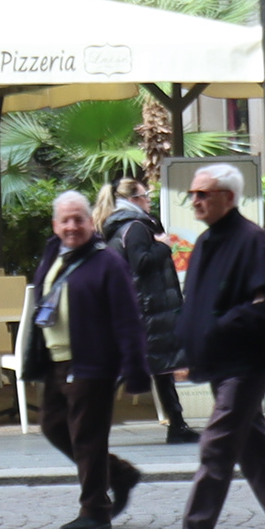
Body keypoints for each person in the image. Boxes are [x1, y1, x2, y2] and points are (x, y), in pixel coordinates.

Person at [159, 165, 265, 529]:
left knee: (216, 448)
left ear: (228, 197)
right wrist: (189, 340)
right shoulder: (207, 241)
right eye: (193, 194)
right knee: (256, 453)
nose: (195, 200)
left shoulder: (252, 241)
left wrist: (217, 329)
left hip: (243, 363)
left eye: (204, 194)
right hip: (220, 361)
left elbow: (264, 304)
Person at [16, 189, 148, 529]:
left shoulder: (108, 262)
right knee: (53, 426)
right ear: (55, 225)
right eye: (65, 221)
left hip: (92, 362)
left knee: (87, 437)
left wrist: (135, 369)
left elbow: (128, 318)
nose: (72, 226)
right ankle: (119, 474)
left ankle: (95, 510)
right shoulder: (53, 253)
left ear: (91, 222)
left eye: (79, 219)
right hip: (56, 361)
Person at [102, 176, 194, 446]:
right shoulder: (136, 227)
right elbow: (139, 262)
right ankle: (87, 423)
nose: (148, 201)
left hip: (144, 308)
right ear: (132, 200)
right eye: (145, 196)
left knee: (161, 367)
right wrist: (163, 246)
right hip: (146, 309)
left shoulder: (121, 226)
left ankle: (177, 424)